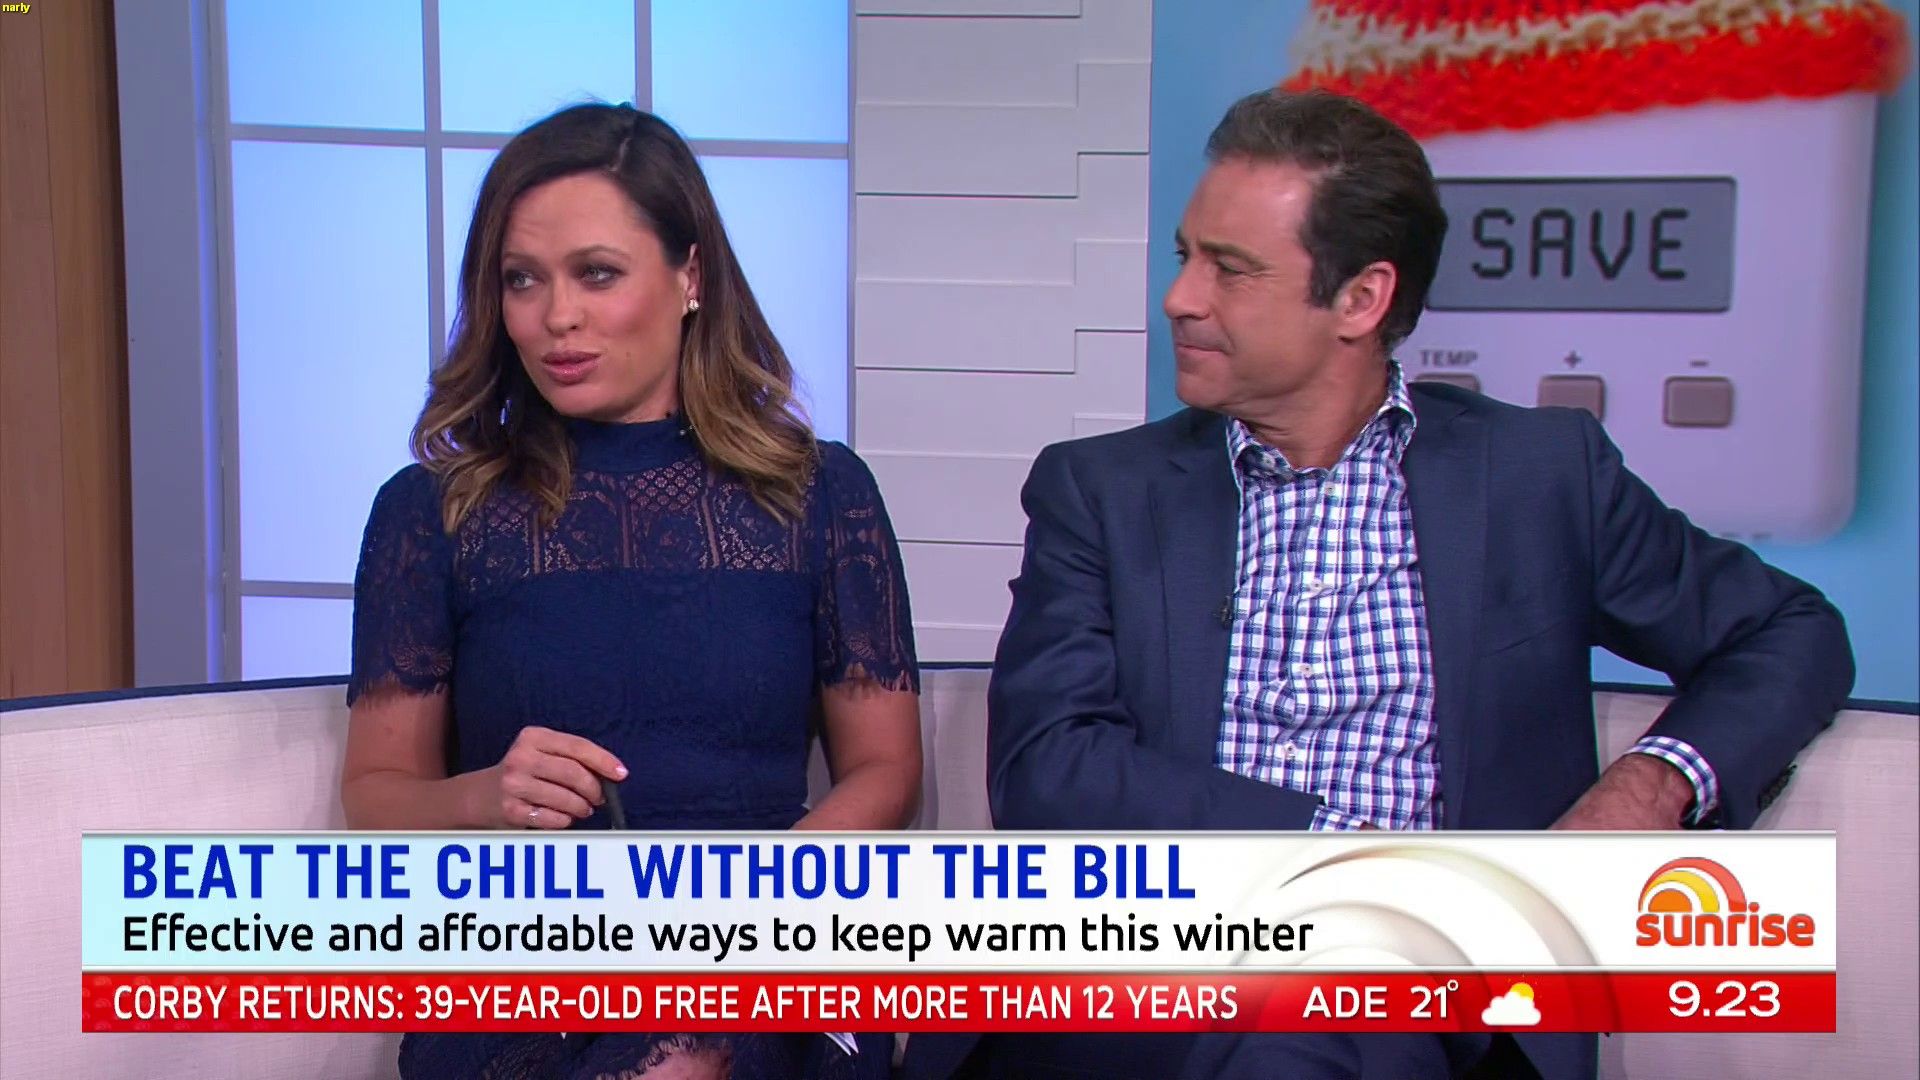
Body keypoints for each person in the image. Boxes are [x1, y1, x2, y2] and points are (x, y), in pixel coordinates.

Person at [906, 89, 1853, 1080]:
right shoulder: (1101, 490)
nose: (1180, 297)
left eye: (1229, 268)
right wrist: (1344, 861)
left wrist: (1648, 786)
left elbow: (1790, 629)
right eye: (1185, 257)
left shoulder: (1539, 477)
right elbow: (1048, 769)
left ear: (1360, 300)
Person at [342, 103, 921, 1080]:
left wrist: (762, 900)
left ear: (691, 277)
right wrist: (485, 797)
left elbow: (885, 769)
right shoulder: (433, 510)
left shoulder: (819, 492)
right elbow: (375, 794)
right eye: (522, 280)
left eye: (597, 274)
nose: (556, 317)